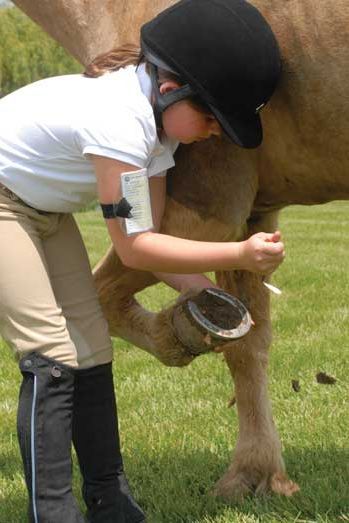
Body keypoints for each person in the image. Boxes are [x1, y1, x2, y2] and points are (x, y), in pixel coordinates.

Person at [0, 0, 284, 521]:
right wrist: (240, 254)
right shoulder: (119, 123)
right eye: (213, 116)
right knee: (51, 349)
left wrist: (207, 291)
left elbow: (150, 240)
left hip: (42, 209)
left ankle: (110, 499)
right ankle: (54, 512)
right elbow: (133, 249)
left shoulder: (159, 137)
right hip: (3, 204)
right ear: (171, 88)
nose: (217, 131)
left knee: (90, 342)